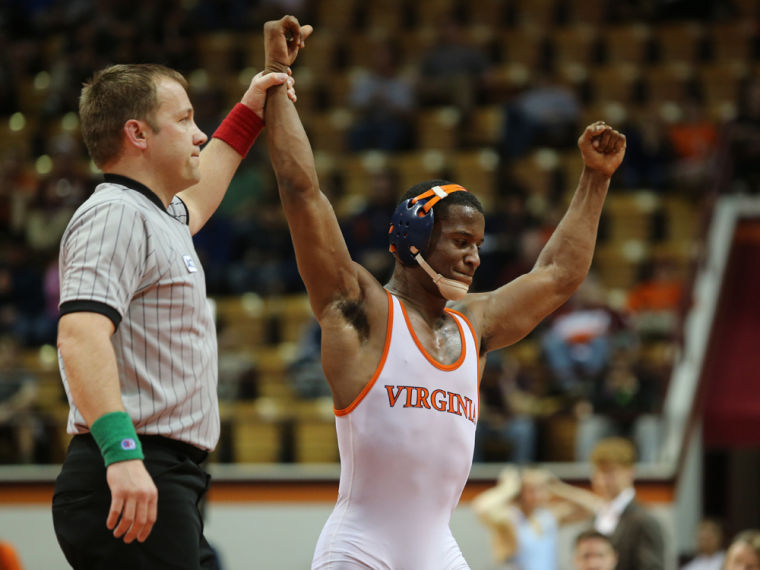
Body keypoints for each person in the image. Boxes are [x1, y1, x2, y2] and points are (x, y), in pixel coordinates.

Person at [262, 15, 625, 569]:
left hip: (439, 550)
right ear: (412, 238)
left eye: (478, 244)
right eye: (459, 240)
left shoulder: (472, 327)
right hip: (361, 550)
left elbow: (558, 275)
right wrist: (277, 76)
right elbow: (301, 190)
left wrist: (595, 179)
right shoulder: (362, 311)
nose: (474, 257)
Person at [51, 54, 300, 568]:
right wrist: (121, 455)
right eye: (184, 119)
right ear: (138, 134)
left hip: (163, 472)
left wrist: (253, 104)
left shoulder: (158, 213)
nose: (200, 134)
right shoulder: (115, 214)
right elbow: (79, 338)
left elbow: (205, 188)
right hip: (130, 466)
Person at [472, 466, 602, 569]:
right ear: (520, 492)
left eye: (541, 489)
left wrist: (558, 487)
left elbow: (594, 507)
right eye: (531, 490)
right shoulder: (508, 518)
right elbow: (481, 507)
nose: (538, 495)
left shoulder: (549, 517)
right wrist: (508, 488)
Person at [589, 437, 665, 570]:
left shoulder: (643, 520)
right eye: (600, 472)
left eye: (610, 472)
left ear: (630, 473)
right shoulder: (596, 514)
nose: (603, 480)